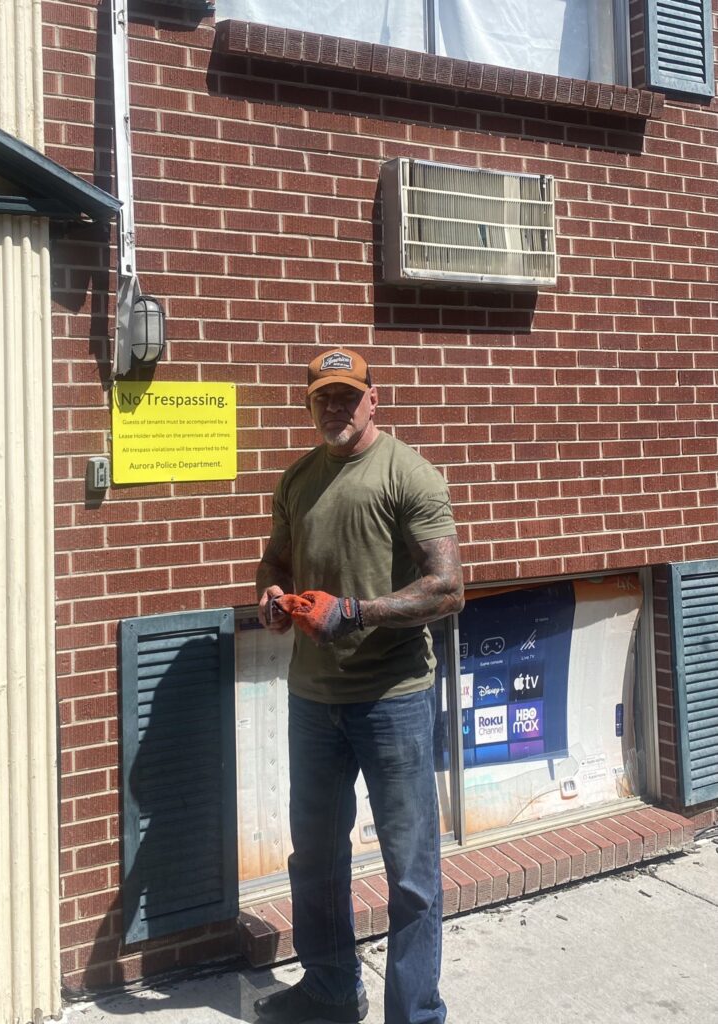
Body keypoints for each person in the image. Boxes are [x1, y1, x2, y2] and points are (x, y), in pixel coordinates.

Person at [253, 348, 464, 1024]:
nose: (335, 409)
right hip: (312, 702)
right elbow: (274, 557)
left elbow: (448, 588)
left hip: (393, 699)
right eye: (322, 397)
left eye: (347, 395)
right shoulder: (296, 479)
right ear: (309, 404)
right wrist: (271, 594)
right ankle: (329, 990)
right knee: (314, 856)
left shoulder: (409, 474)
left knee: (409, 873)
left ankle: (415, 1014)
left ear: (373, 399)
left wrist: (355, 612)